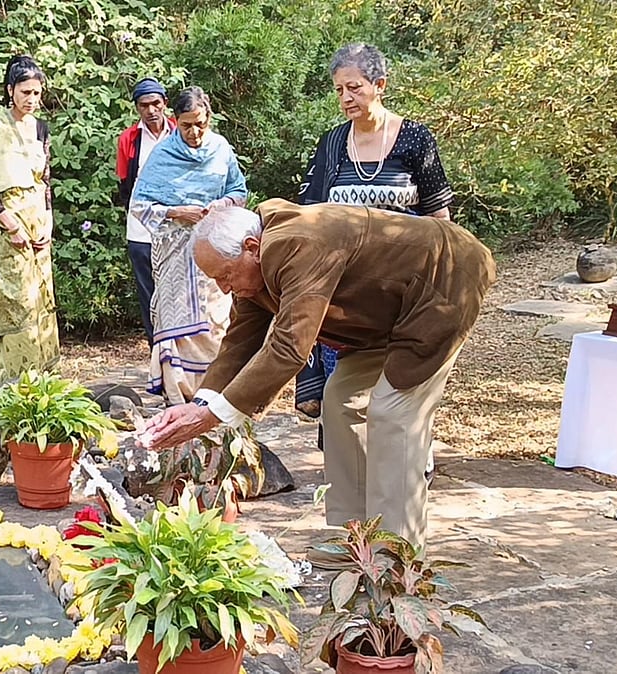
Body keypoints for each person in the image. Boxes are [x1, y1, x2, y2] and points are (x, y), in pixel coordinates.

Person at [139, 200, 496, 544]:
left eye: (225, 276)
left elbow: (290, 346)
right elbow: (240, 339)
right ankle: (357, 540)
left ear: (251, 247)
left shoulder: (298, 244)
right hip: (387, 310)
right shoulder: (255, 259)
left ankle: (396, 556)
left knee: (393, 413)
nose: (224, 288)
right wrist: (202, 401)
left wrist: (212, 416)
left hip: (443, 285)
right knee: (341, 398)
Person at [294, 43, 457, 428]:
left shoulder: (416, 139)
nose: (346, 97)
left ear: (379, 84)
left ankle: (409, 468)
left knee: (401, 391)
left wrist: (442, 284)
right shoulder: (331, 144)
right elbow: (311, 218)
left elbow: (440, 218)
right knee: (343, 395)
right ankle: (348, 477)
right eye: (339, 90)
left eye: (354, 87)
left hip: (405, 294)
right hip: (346, 295)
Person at [129, 86, 248, 404]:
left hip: (215, 250)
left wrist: (220, 205)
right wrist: (178, 211)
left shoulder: (221, 149)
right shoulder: (163, 154)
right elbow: (139, 204)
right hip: (175, 251)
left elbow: (239, 189)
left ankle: (213, 393)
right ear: (175, 121)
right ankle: (177, 396)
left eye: (200, 124)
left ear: (209, 118)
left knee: (215, 322)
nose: (194, 132)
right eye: (186, 125)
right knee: (175, 325)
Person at [0, 54, 60, 387]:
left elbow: (46, 178)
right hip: (4, 227)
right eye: (25, 92)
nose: (32, 100)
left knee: (39, 298)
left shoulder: (41, 127)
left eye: (37, 93)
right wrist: (12, 226)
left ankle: (41, 375)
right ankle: (9, 378)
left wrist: (47, 223)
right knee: (15, 300)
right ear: (10, 91)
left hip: (36, 223)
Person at [115, 77, 177, 344]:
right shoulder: (129, 139)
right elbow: (124, 182)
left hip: (176, 224)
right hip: (141, 225)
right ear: (137, 108)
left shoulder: (179, 132)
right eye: (144, 105)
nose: (151, 111)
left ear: (165, 104)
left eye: (156, 104)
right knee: (147, 289)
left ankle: (178, 347)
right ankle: (156, 347)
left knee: (176, 287)